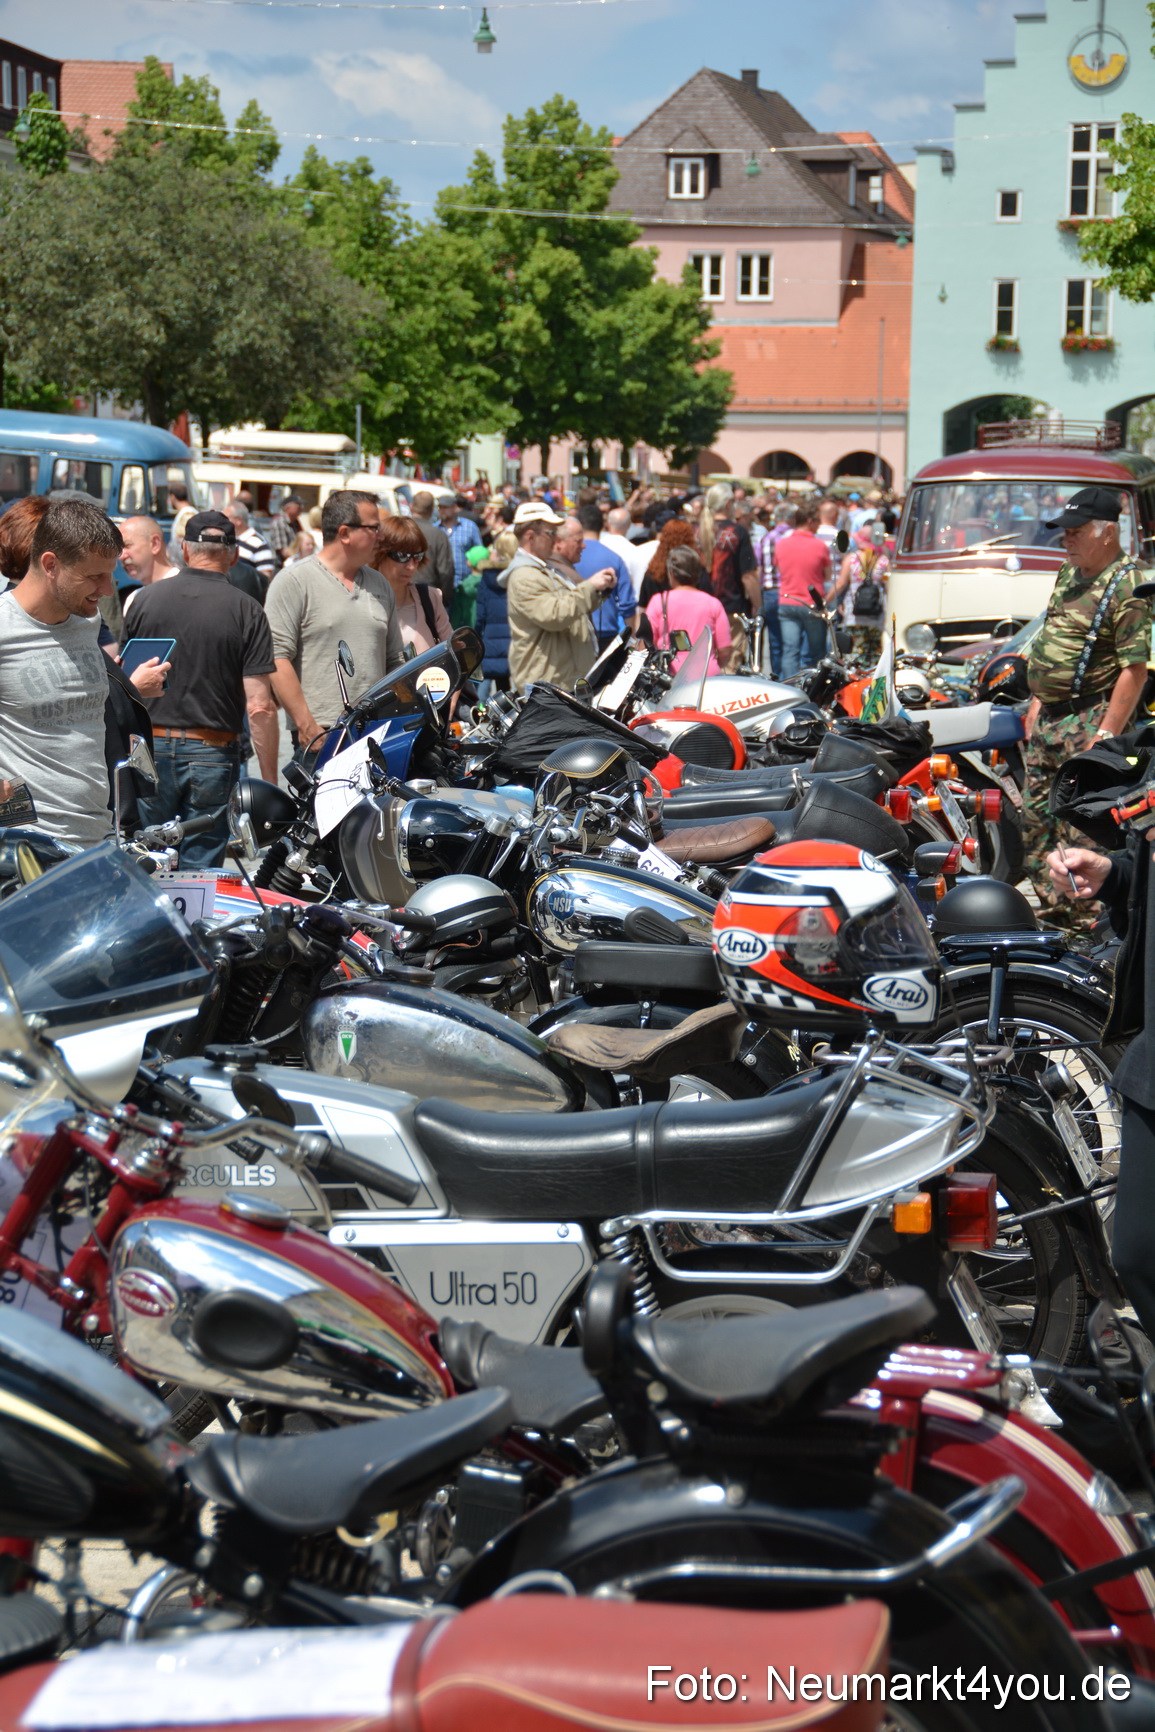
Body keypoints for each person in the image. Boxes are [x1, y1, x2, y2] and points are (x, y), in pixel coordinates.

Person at [1023, 486, 1151, 933]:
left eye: (1076, 532)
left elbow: (1134, 669)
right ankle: (1053, 914)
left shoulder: (1130, 583)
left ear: (1108, 533)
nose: (1067, 539)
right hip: (1051, 720)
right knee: (1037, 825)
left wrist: (1107, 733)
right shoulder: (1069, 572)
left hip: (1091, 721)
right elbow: (1051, 636)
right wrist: (1038, 698)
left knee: (1084, 830)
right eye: (1065, 532)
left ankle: (1090, 930)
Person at [125, 512, 277, 868]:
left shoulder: (145, 600)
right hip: (212, 751)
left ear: (184, 550)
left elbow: (127, 681)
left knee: (147, 860)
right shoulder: (248, 610)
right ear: (234, 555)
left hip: (152, 747)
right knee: (200, 870)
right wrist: (268, 783)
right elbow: (259, 706)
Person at [0, 496, 126, 849]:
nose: (107, 589)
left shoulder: (88, 620)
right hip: (24, 848)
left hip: (97, 837)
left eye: (110, 574)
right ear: (50, 564)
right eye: (94, 576)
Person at [265, 489, 405, 765]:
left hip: (376, 736)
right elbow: (276, 657)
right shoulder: (294, 581)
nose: (381, 536)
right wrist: (307, 726)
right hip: (322, 737)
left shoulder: (379, 585)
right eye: (374, 528)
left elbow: (395, 661)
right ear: (344, 533)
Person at [500, 502, 614, 693]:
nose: (555, 540)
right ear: (530, 536)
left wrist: (599, 590)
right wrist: (591, 586)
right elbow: (555, 616)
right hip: (547, 685)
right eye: (551, 533)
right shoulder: (524, 576)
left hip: (558, 681)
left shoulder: (543, 570)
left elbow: (570, 606)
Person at [699, 482, 759, 672]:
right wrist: (758, 604)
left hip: (699, 604)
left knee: (701, 658)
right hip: (731, 606)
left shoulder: (696, 531)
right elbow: (748, 575)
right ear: (727, 504)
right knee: (729, 661)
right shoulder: (737, 532)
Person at [372, 514, 453, 654]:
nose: (411, 566)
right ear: (381, 554)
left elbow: (452, 651)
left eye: (417, 557)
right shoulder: (362, 599)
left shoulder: (430, 598)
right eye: (402, 556)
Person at [645, 546, 731, 674]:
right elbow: (725, 649)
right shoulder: (713, 603)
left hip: (670, 676)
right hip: (706, 676)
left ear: (671, 573)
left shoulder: (659, 602)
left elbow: (644, 643)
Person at [566, 506, 638, 652]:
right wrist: (634, 639)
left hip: (573, 632)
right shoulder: (614, 558)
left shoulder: (566, 559)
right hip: (607, 634)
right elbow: (627, 605)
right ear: (603, 525)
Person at [776, 503, 832, 680]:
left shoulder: (781, 544)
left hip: (786, 601)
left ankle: (790, 688)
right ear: (809, 521)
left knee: (790, 650)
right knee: (817, 652)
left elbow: (779, 568)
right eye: (816, 522)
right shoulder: (819, 546)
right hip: (811, 603)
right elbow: (827, 576)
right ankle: (816, 687)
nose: (818, 526)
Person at [833, 525, 889, 662]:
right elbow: (889, 587)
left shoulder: (851, 559)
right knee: (876, 655)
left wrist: (825, 601)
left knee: (854, 654)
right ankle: (874, 681)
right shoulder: (883, 560)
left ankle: (856, 681)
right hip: (877, 614)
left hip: (854, 612)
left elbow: (840, 584)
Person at [474, 529, 516, 699]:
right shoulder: (520, 573)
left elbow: (481, 612)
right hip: (516, 636)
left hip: (492, 636)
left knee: (497, 679)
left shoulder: (487, 575)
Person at [121, 516, 179, 618]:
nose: (121, 556)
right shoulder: (133, 599)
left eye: (127, 546)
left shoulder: (183, 590)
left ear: (155, 544)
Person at [408, 490, 456, 608]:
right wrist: (444, 598)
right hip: (428, 595)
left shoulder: (397, 529)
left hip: (398, 592)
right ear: (431, 511)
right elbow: (445, 571)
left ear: (411, 507)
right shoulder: (438, 535)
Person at [224, 501, 278, 594]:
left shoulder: (258, 543)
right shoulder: (226, 539)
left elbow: (265, 577)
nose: (223, 521)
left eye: (226, 518)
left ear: (238, 521)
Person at [599, 505, 649, 599]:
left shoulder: (599, 546)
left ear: (608, 523)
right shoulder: (635, 551)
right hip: (623, 602)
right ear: (629, 526)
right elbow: (637, 585)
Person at [439, 493, 482, 599]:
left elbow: (479, 552)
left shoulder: (469, 527)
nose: (442, 510)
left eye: (445, 507)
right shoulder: (435, 529)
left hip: (466, 585)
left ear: (455, 508)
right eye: (440, 507)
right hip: (443, 587)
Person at [267, 494, 305, 567]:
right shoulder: (280, 523)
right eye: (298, 505)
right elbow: (284, 552)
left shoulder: (295, 523)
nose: (301, 508)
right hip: (280, 566)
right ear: (287, 508)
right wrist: (303, 554)